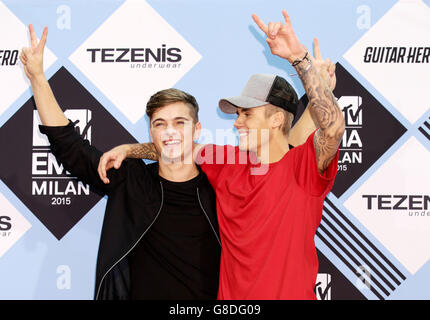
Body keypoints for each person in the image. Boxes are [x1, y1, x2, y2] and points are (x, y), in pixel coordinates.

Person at [98, 10, 344, 300]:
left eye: (247, 114)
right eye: (237, 114)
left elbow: (332, 128)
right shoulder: (226, 163)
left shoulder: (302, 170)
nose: (237, 122)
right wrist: (130, 149)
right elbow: (176, 148)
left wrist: (300, 60)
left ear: (276, 120)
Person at [20, 25, 223, 300]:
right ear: (151, 131)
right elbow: (70, 146)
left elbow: (285, 153)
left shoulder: (221, 188)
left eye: (180, 123)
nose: (170, 131)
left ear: (197, 129)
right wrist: (37, 78)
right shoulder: (131, 179)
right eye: (160, 124)